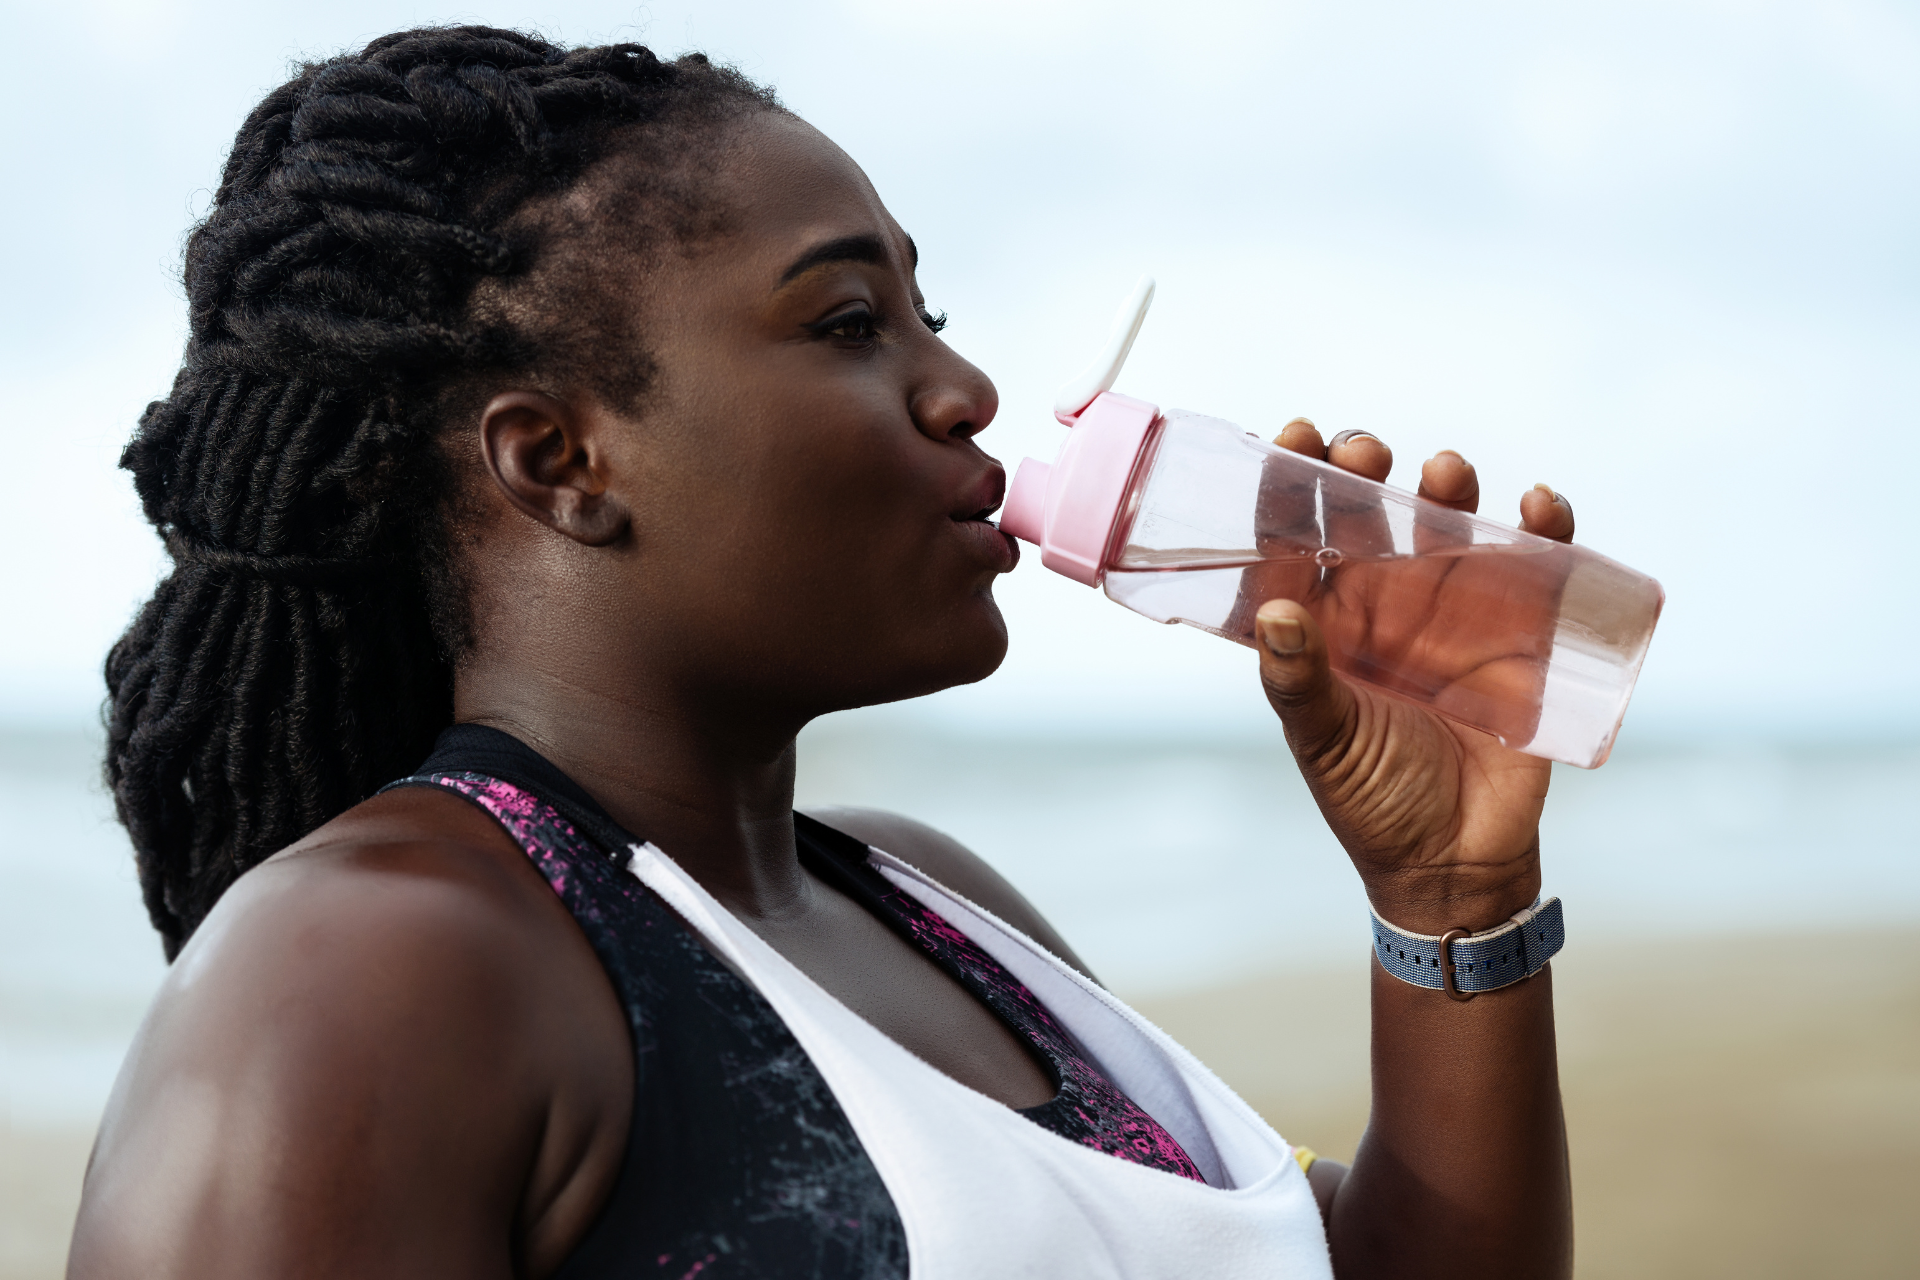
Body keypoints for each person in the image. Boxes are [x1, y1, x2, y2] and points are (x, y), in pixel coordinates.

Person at [70, 26, 1575, 1280]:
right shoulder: (375, 967)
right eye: (851, 322)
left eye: (931, 314)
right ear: (559, 464)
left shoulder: (935, 905)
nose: (967, 387)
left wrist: (1451, 900)